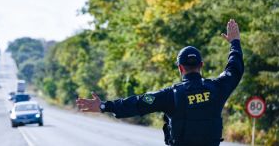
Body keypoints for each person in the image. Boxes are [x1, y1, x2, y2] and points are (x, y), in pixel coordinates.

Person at [76, 19, 244, 146]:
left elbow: (138, 103)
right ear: (201, 65)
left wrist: (104, 106)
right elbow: (234, 69)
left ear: (180, 68)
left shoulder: (171, 95)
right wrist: (234, 43)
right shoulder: (218, 88)